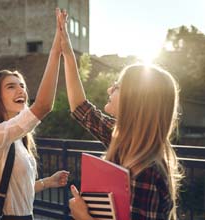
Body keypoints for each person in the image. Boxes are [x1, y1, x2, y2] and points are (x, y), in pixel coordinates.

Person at [57, 10, 183, 220]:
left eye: (117, 87)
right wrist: (68, 53)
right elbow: (80, 108)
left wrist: (83, 216)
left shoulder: (147, 171)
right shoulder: (124, 139)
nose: (109, 90)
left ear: (134, 101)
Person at [0, 9, 69, 220]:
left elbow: (17, 189)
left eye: (22, 85)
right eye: (11, 87)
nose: (21, 90)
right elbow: (44, 105)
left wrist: (48, 182)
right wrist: (56, 51)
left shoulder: (18, 138)